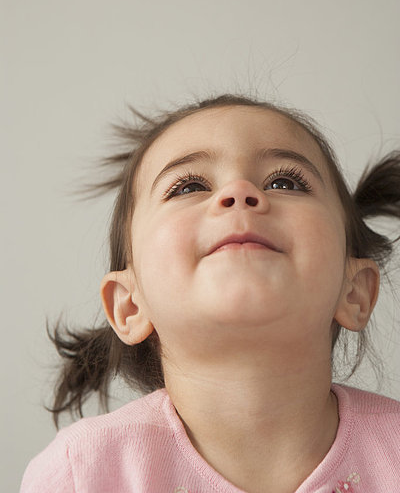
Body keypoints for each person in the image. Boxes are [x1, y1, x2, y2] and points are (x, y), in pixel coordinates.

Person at [20, 93, 400, 493]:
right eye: (188, 187)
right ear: (129, 305)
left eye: (284, 182)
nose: (239, 193)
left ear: (354, 291)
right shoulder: (81, 474)